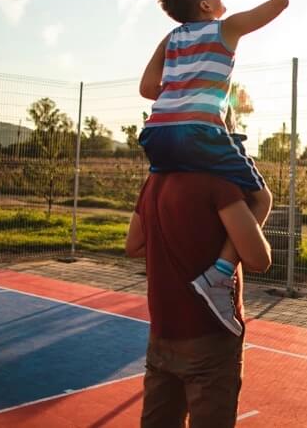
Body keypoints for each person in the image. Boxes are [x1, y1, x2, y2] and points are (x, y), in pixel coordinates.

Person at [137, 0, 294, 336]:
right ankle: (220, 273)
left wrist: (181, 83)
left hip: (157, 136)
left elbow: (147, 89)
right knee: (261, 197)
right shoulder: (226, 28)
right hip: (197, 132)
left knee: (182, 186)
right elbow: (279, 3)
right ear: (207, 5)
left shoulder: (170, 38)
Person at [125, 168, 271, 428]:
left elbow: (133, 245)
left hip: (162, 334)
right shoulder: (220, 180)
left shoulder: (155, 179)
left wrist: (174, 242)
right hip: (210, 336)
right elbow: (259, 259)